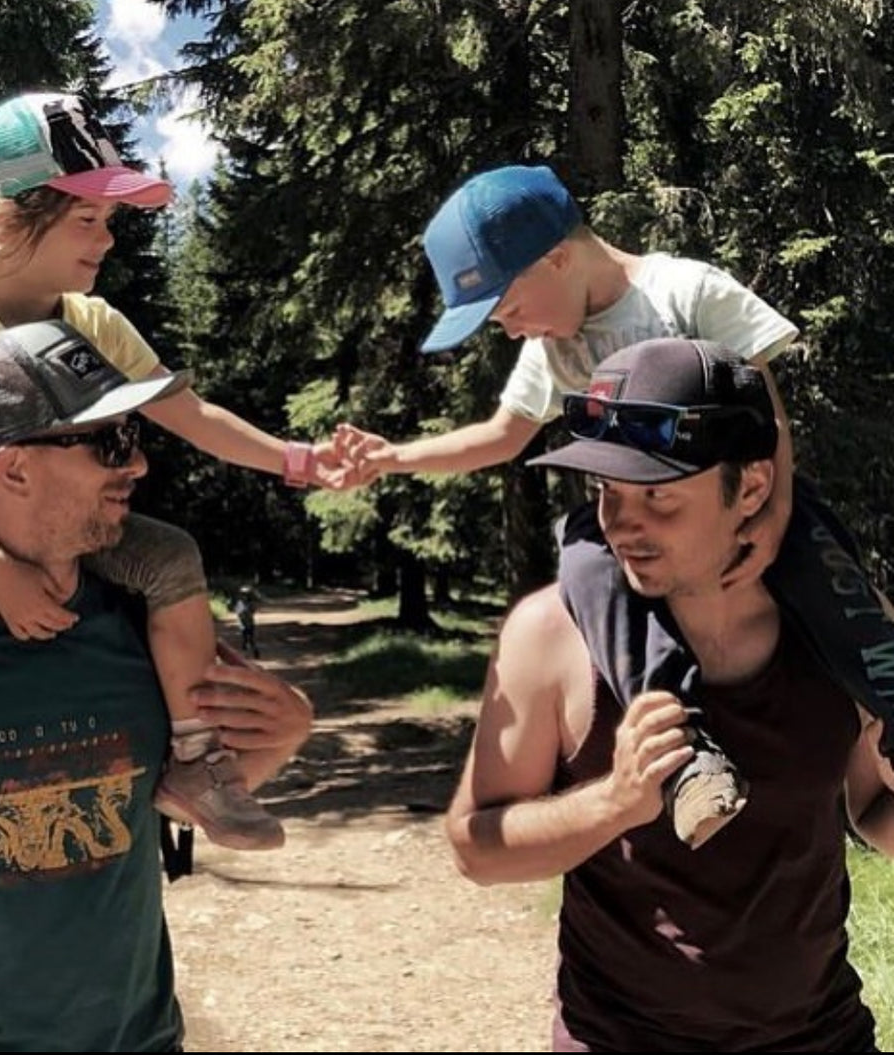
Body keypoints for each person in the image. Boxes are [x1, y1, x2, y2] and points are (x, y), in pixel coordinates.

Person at [0, 91, 344, 906]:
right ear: (10, 222)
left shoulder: (95, 322)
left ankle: (194, 760)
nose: (110, 236)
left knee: (172, 556)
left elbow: (190, 416)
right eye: (88, 218)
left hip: (55, 520)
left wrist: (298, 459)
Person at [338, 164, 894, 848]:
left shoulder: (681, 292)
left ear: (558, 258)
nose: (510, 330)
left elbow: (767, 415)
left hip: (744, 494)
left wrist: (774, 513)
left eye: (507, 308)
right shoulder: (553, 346)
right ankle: (688, 753)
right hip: (630, 522)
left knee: (836, 581)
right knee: (588, 565)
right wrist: (390, 457)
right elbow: (501, 435)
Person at [0, 322, 312, 1052]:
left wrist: (289, 731)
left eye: (136, 436)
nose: (138, 464)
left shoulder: (152, 628)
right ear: (13, 468)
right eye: (110, 442)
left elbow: (173, 796)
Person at [446, 337, 894, 1052]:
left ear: (750, 486)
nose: (623, 523)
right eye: (606, 492)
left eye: (657, 495)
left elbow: (872, 808)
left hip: (822, 1034)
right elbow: (475, 847)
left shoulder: (844, 627)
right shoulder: (552, 636)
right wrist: (612, 801)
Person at [234, 586, 261, 659]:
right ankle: (247, 654)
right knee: (245, 639)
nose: (243, 596)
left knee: (250, 639)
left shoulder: (249, 603)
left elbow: (250, 611)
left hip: (248, 622)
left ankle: (253, 652)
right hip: (244, 622)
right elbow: (239, 613)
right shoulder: (242, 603)